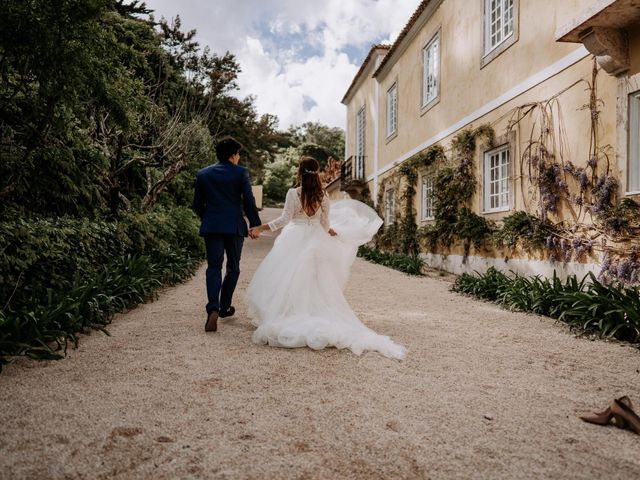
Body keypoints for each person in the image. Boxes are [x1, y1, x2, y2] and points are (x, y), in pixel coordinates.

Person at [246, 157, 405, 359]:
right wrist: (335, 233)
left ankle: (290, 313)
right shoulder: (323, 196)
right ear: (318, 172)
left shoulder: (293, 193)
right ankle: (314, 312)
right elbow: (324, 225)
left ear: (300, 172)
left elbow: (284, 220)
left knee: (289, 278)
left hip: (294, 239)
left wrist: (260, 228)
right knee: (316, 282)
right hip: (316, 240)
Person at [193, 137, 261, 333]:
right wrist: (255, 225)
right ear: (233, 156)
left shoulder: (203, 174)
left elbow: (197, 205)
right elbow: (249, 200)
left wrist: (209, 218)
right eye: (238, 154)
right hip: (234, 227)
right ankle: (224, 307)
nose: (239, 158)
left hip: (212, 226)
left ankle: (212, 308)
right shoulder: (240, 173)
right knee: (233, 267)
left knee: (214, 267)